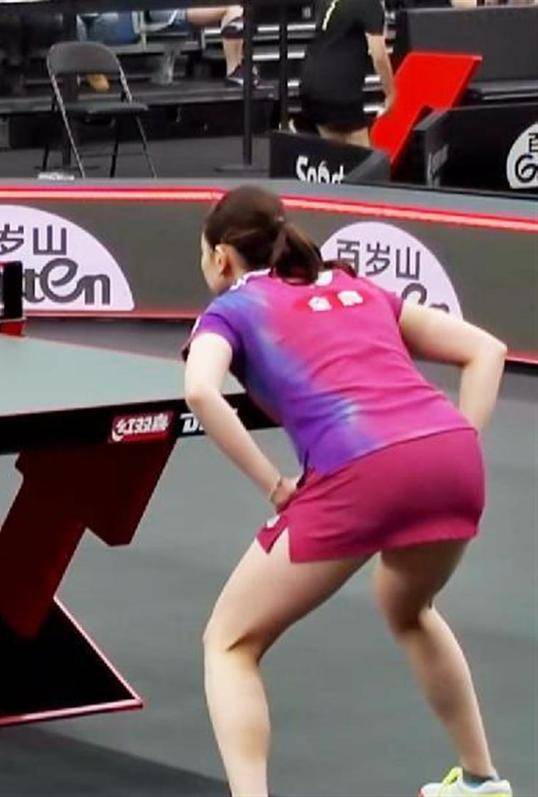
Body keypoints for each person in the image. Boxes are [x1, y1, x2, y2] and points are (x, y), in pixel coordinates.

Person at [183, 186, 511, 797]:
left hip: (360, 469)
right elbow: (486, 350)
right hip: (452, 456)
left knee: (229, 642)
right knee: (408, 606)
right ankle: (480, 781)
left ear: (221, 256)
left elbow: (201, 390)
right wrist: (459, 442)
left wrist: (274, 485)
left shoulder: (232, 307)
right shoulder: (357, 287)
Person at [299, 0, 395, 146]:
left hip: (310, 86)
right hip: (338, 93)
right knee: (362, 156)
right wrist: (391, 93)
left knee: (335, 151)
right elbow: (379, 56)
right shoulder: (369, 4)